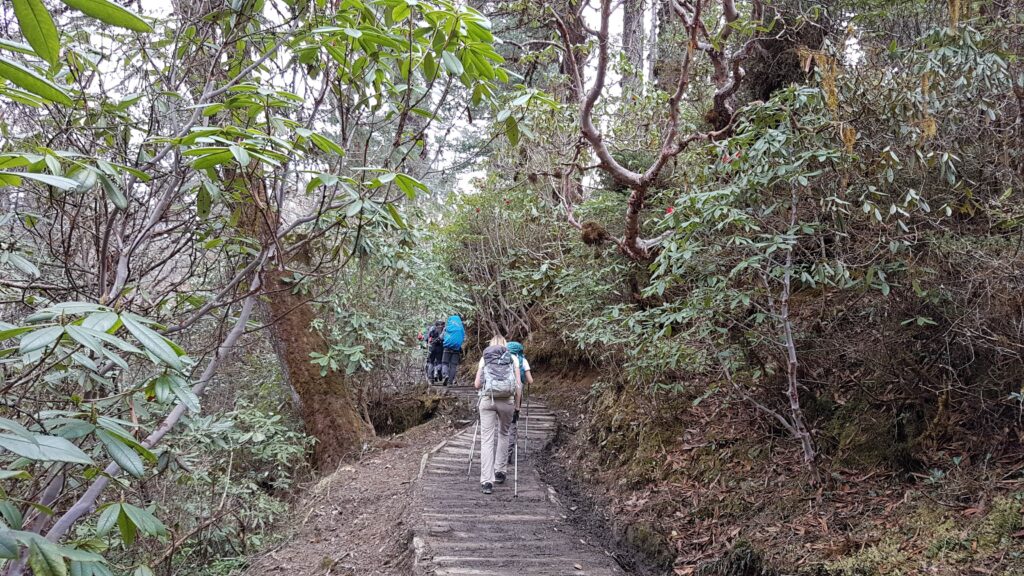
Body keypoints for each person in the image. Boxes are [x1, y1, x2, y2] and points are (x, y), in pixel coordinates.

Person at [474, 335, 522, 494]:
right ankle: (500, 471)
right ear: (504, 345)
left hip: (487, 400)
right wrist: (517, 406)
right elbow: (518, 385)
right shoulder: (513, 358)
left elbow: (477, 384)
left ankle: (487, 482)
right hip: (507, 401)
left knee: (487, 439)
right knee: (504, 433)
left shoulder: (485, 358)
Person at [504, 341, 532, 466]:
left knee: (502, 426)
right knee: (512, 425)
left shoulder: (502, 359)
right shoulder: (523, 361)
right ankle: (508, 453)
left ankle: (500, 453)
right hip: (516, 396)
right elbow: (530, 380)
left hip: (501, 394)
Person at [440, 314, 465, 387]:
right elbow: (464, 337)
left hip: (447, 347)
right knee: (453, 365)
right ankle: (450, 382)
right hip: (457, 348)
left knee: (445, 363)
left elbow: (441, 337)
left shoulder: (447, 327)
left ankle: (445, 375)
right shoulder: (461, 328)